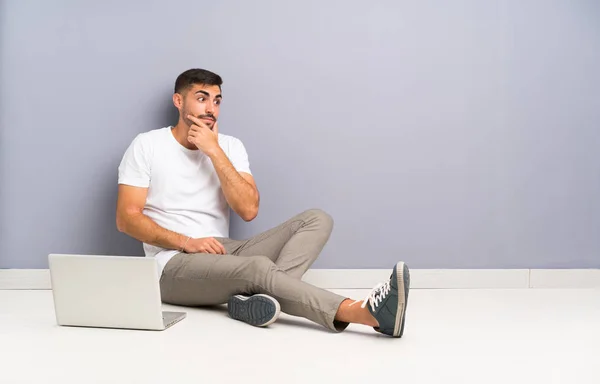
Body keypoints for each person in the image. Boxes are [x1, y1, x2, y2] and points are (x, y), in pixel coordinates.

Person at [116, 68, 410, 337]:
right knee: (257, 267)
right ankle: (364, 312)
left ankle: (262, 301)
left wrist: (214, 151)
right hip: (171, 265)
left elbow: (248, 210)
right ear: (178, 101)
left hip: (224, 251)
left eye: (217, 101)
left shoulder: (229, 146)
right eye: (201, 98)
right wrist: (186, 242)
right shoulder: (147, 145)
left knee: (317, 219)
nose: (210, 109)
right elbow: (127, 218)